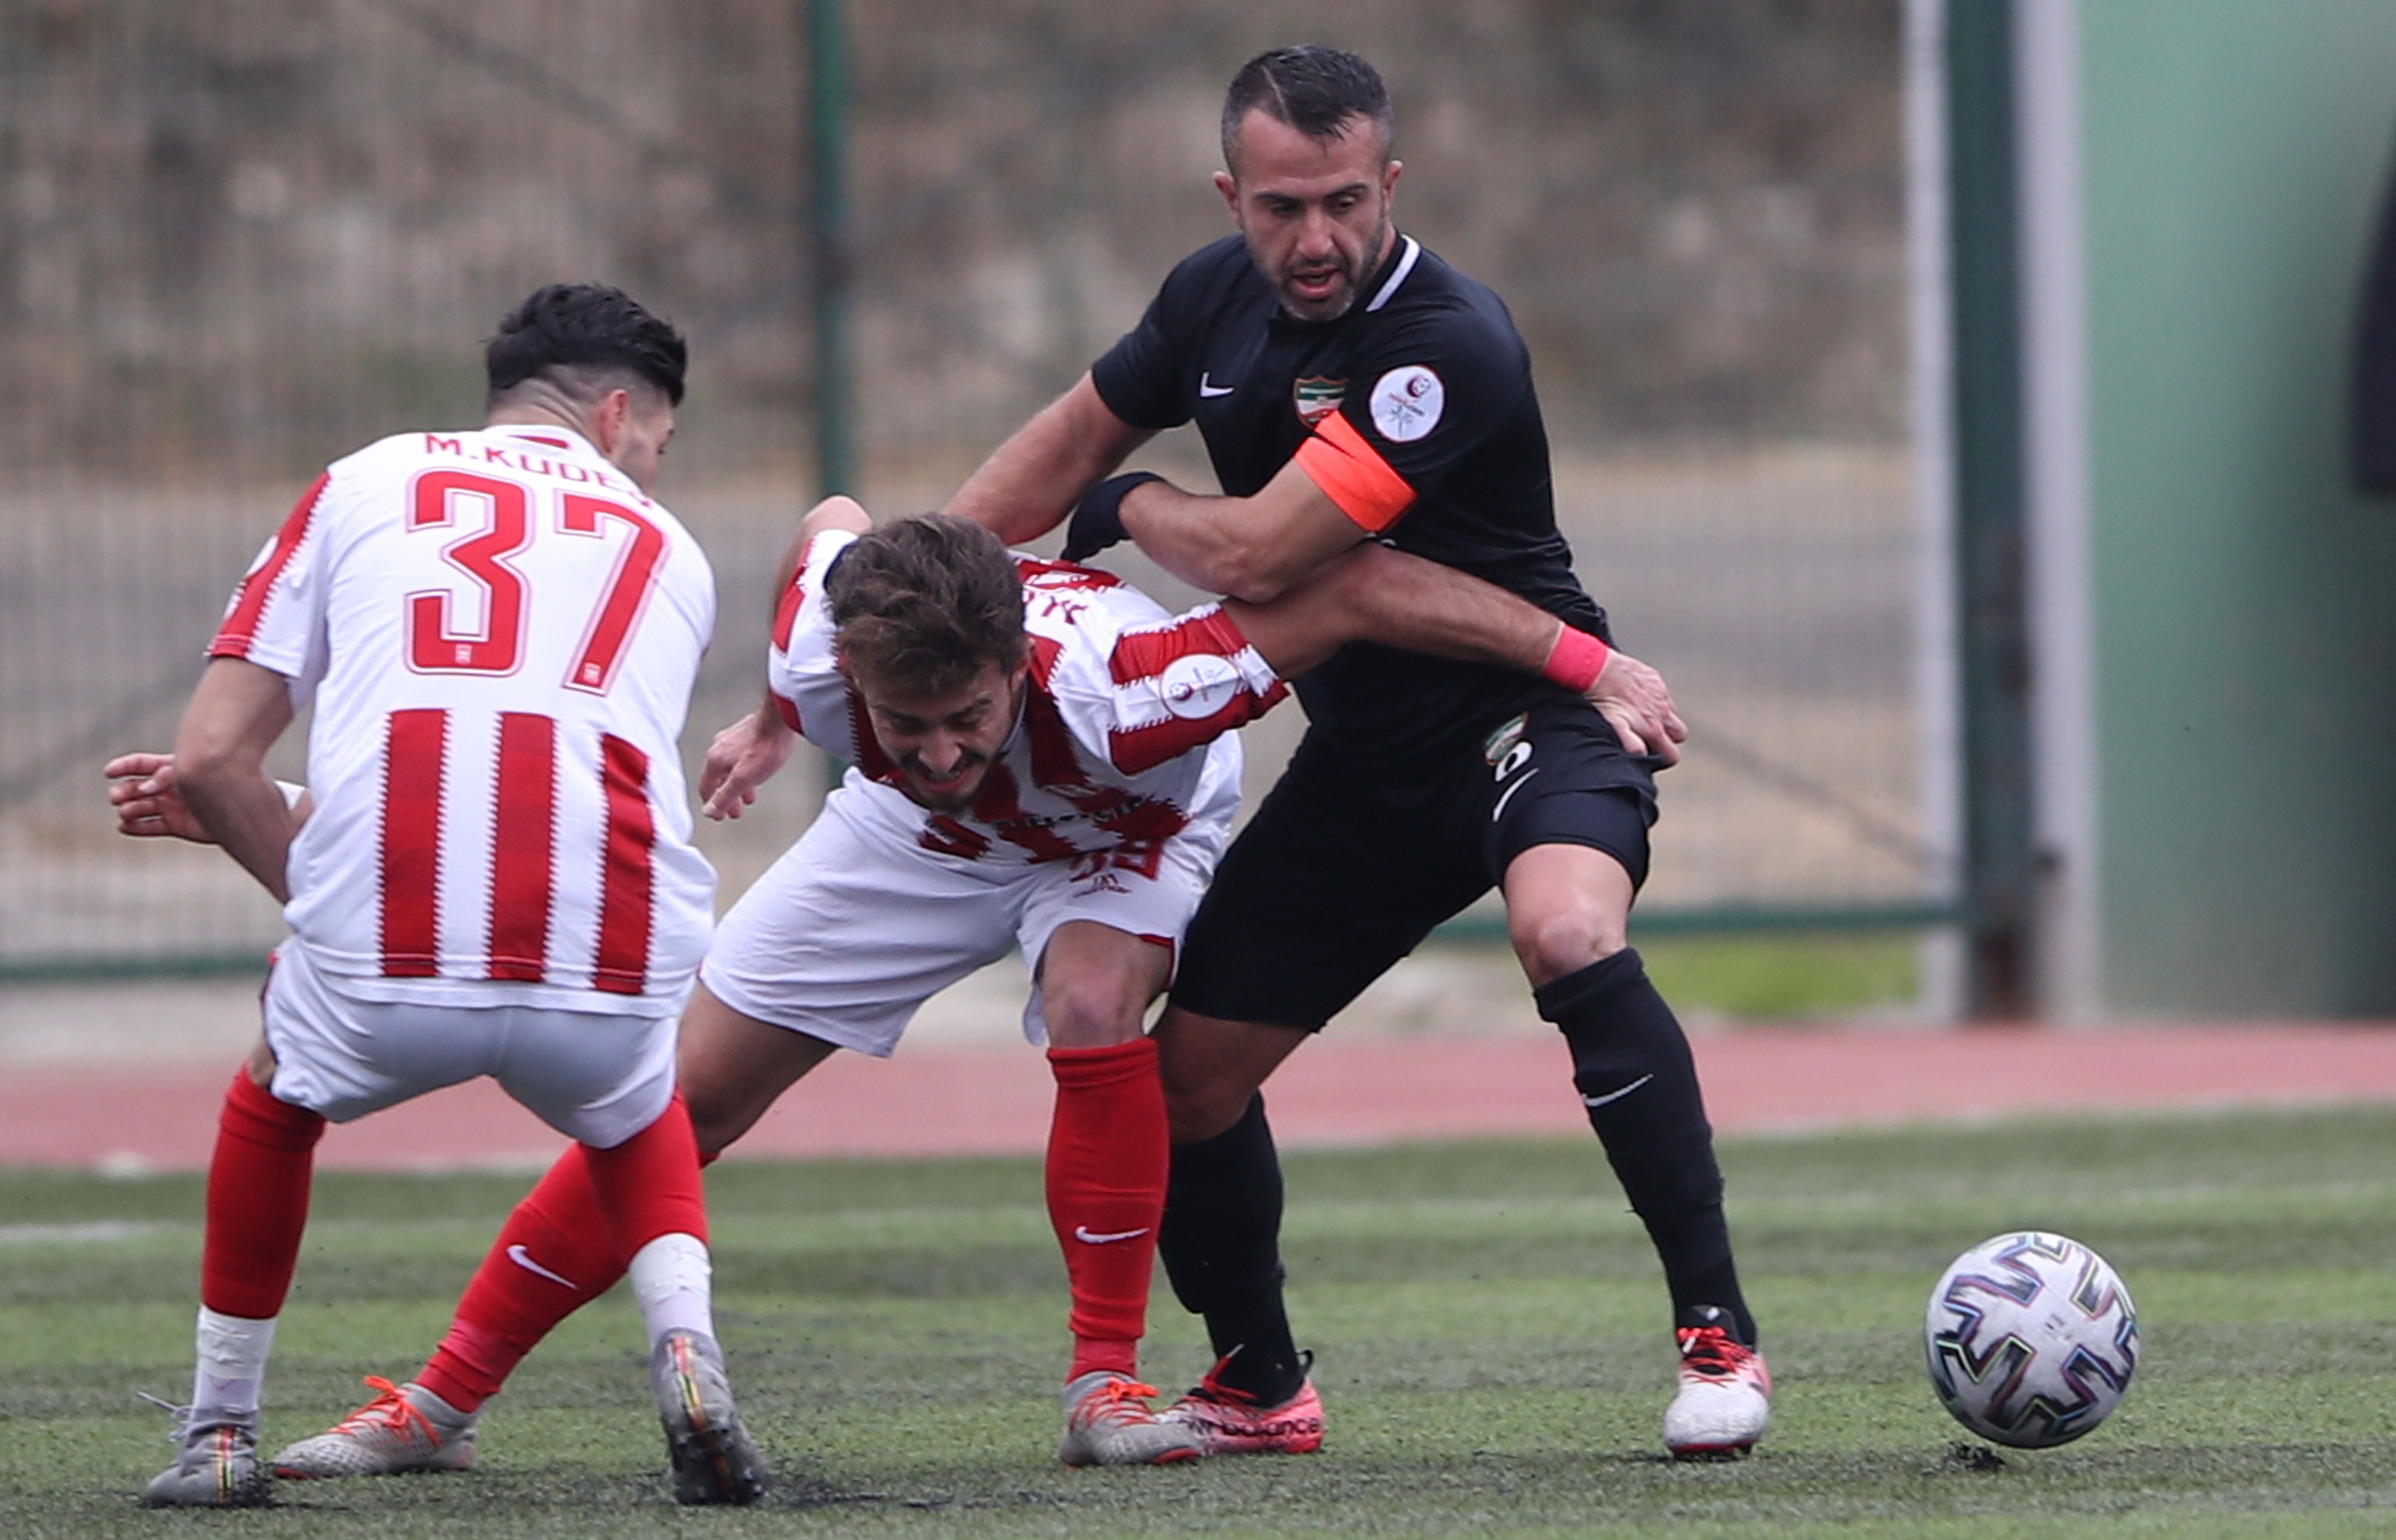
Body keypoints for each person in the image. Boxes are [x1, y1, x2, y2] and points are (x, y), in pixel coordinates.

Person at [120, 498, 1682, 1473]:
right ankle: (438, 1407)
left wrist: (1582, 665)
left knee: (1090, 1005)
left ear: (1016, 665)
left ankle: (1106, 1387)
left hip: (1119, 832)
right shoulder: (836, 675)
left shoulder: (1145, 690)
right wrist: (783, 723)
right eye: (897, 718)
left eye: (964, 718)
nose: (935, 748)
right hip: (905, 859)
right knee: (676, 1098)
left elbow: (1351, 592)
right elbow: (834, 514)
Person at [944, 44, 1770, 1461]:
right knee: (1186, 1076)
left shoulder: (1448, 341)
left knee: (1565, 931)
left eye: (1342, 201)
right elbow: (1067, 437)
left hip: (1532, 714)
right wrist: (930, 591)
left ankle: (1721, 1344)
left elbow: (1265, 558)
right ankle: (1260, 1387)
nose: (1314, 239)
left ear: (1391, 184)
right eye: (1280, 208)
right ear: (1231, 197)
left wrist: (1131, 503)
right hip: (1368, 771)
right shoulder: (1209, 298)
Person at [107, 285, 767, 1507]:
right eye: (661, 446)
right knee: (638, 1111)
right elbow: (541, 787)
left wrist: (330, 894)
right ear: (621, 417)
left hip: (387, 958)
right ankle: (688, 1350)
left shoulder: (366, 481)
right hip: (609, 952)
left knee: (275, 1095)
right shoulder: (667, 547)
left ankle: (217, 1430)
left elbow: (210, 759)